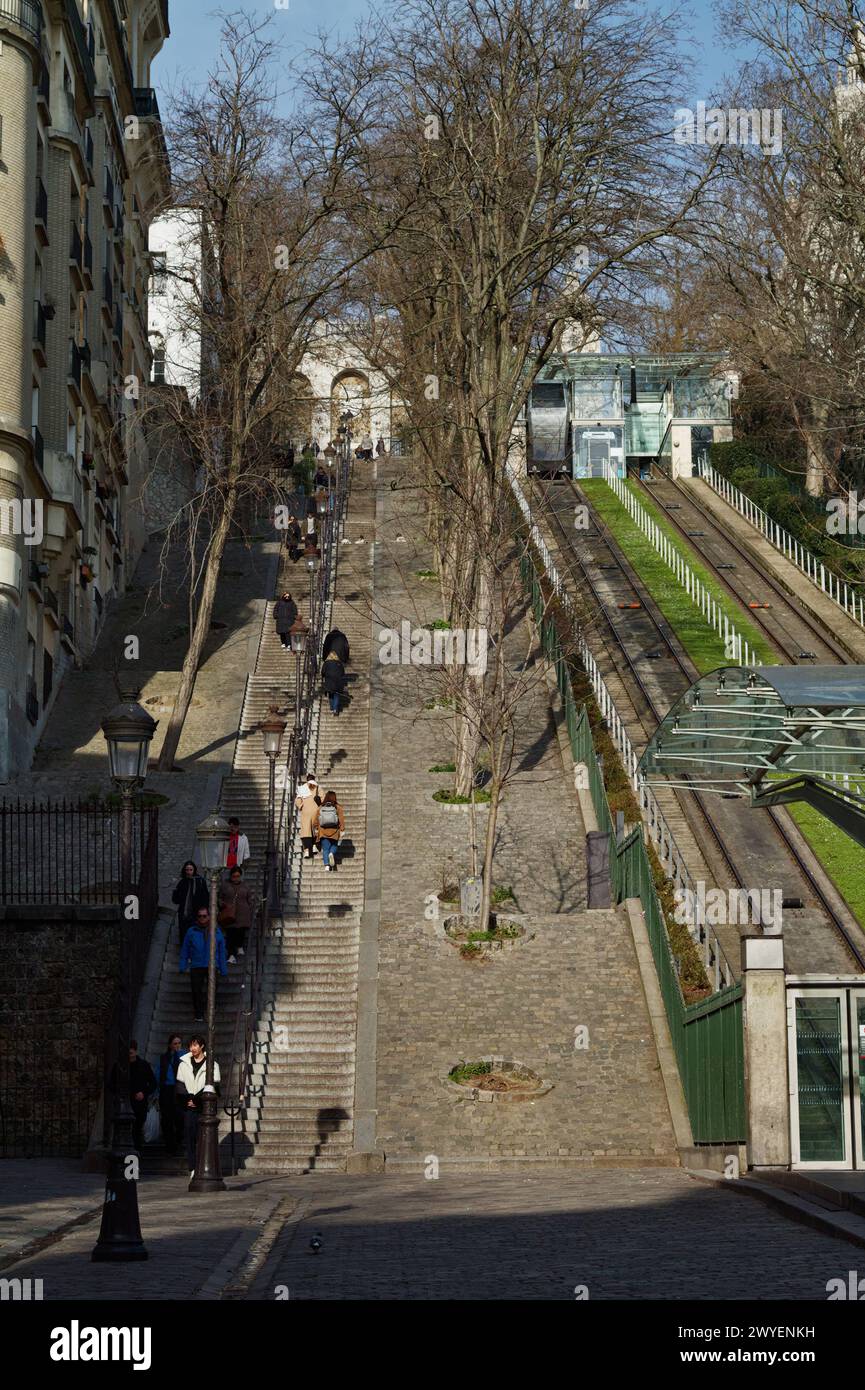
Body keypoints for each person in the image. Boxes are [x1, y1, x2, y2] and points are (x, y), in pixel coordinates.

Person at [175, 1035, 220, 1177]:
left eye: (195, 1045)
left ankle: (203, 1165)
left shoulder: (212, 1064)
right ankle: (192, 1167)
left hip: (204, 1107)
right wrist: (188, 1099)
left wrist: (197, 1099)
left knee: (204, 1137)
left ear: (201, 1046)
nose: (192, 1049)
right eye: (190, 1046)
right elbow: (179, 1085)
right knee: (189, 1136)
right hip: (188, 1106)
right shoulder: (183, 1064)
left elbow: (214, 1086)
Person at [179, 907, 228, 1021]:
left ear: (209, 917)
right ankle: (199, 1014)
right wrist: (183, 965)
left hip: (212, 964)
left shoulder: (216, 931)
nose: (202, 918)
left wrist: (223, 969)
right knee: (196, 990)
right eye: (200, 916)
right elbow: (185, 949)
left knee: (213, 989)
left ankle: (211, 1010)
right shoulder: (191, 931)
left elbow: (221, 951)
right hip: (196, 965)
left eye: (204, 916)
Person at [155, 1033, 186, 1156]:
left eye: (179, 1043)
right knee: (166, 1119)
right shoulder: (164, 1058)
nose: (177, 1045)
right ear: (170, 1045)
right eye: (175, 1043)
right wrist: (157, 1092)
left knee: (179, 1117)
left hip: (179, 1088)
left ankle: (178, 1140)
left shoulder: (184, 1056)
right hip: (166, 1089)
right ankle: (170, 1144)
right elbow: (158, 1074)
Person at [218, 866, 254, 963]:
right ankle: (231, 955)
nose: (236, 878)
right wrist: (222, 904)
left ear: (241, 876)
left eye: (238, 876)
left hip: (243, 914)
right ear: (231, 876)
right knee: (230, 934)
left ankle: (239, 946)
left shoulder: (245, 886)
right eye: (234, 876)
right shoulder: (225, 885)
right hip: (229, 914)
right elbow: (220, 897)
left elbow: (250, 899)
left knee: (240, 932)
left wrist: (250, 909)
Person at [127, 1041, 157, 1150]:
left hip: (140, 1103)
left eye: (133, 1049)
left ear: (136, 1050)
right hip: (125, 1102)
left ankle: (136, 1151)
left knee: (137, 1128)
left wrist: (144, 1093)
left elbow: (153, 1083)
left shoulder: (144, 1065)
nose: (131, 1052)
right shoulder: (121, 1066)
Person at [171, 861, 209, 944]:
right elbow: (175, 900)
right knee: (185, 936)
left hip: (196, 914)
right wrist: (175, 891)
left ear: (194, 870)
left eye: (190, 870)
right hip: (184, 915)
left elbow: (205, 898)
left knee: (196, 936)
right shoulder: (182, 883)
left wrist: (204, 912)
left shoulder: (200, 882)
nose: (188, 872)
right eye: (187, 870)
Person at [313, 790, 344, 871]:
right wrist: (342, 829)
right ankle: (332, 853)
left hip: (323, 831)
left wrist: (316, 828)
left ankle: (327, 865)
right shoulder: (338, 807)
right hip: (334, 830)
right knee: (334, 845)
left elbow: (315, 820)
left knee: (325, 848)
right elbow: (341, 819)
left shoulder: (320, 807)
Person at [296, 775, 322, 860]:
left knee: (306, 830)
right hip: (316, 810)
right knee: (315, 829)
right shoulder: (318, 787)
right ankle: (314, 846)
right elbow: (323, 798)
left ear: (307, 780)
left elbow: (298, 800)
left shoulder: (302, 788)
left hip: (306, 811)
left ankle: (307, 850)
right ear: (314, 779)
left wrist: (301, 806)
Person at [322, 649, 346, 716]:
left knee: (331, 695)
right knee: (336, 695)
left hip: (329, 682)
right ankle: (335, 709)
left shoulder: (326, 663)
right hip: (338, 682)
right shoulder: (339, 663)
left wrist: (324, 675)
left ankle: (332, 708)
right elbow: (342, 673)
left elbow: (323, 672)